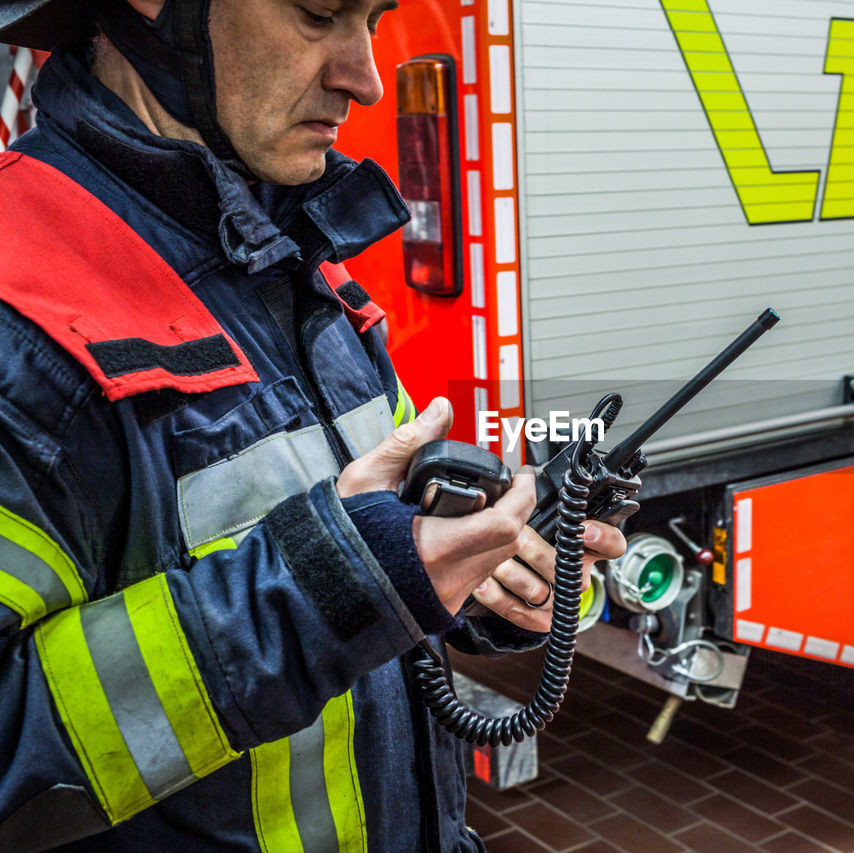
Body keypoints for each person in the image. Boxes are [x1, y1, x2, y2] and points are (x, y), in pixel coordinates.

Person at [0, 1, 626, 850]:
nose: (364, 76)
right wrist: (327, 586)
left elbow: (377, 540)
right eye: (319, 13)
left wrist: (473, 573)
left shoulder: (285, 253)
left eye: (371, 18)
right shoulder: (17, 313)